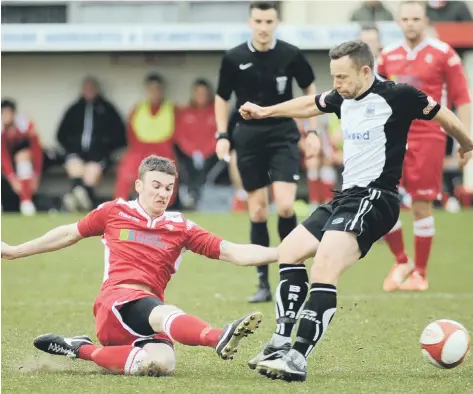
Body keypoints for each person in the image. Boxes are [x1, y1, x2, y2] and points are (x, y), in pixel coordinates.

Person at [237, 40, 473, 382]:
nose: (336, 84)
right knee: (288, 251)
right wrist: (265, 110)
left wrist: (467, 143)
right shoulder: (342, 97)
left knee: (324, 266)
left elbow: (443, 114)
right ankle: (277, 344)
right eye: (333, 76)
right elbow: (310, 103)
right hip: (345, 197)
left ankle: (297, 358)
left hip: (377, 198)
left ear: (365, 71)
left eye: (342, 77)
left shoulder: (399, 95)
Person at [1, 155, 280, 377]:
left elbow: (234, 252)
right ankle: (219, 336)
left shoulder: (181, 227)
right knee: (163, 313)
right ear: (139, 186)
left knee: (161, 364)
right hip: (115, 302)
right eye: (156, 186)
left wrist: (283, 253)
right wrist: (14, 251)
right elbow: (68, 232)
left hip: (147, 315)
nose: (162, 194)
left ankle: (79, 348)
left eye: (168, 188)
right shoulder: (114, 211)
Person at [214, 1, 319, 303]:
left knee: (286, 206)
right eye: (258, 21)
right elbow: (221, 98)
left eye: (269, 21)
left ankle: (292, 275)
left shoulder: (290, 54)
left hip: (283, 134)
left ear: (277, 23)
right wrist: (222, 135)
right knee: (258, 210)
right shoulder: (234, 58)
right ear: (250, 22)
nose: (263, 27)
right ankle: (263, 282)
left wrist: (311, 131)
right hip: (247, 138)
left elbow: (311, 91)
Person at [377, 0, 471, 291]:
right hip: (393, 137)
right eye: (405, 18)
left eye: (416, 18)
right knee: (382, 197)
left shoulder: (444, 53)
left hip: (429, 136)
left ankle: (420, 273)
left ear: (425, 19)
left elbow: (462, 98)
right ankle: (401, 259)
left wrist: (464, 138)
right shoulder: (387, 55)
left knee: (421, 205)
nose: (410, 23)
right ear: (399, 22)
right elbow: (376, 99)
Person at [57, 76, 126, 212]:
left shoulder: (107, 109)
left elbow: (120, 136)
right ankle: (85, 202)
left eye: (91, 89)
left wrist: (106, 149)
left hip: (98, 154)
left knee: (91, 172)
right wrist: (71, 147)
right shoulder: (74, 109)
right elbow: (61, 134)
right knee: (75, 166)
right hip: (76, 152)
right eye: (86, 89)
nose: (89, 91)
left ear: (97, 90)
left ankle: (77, 200)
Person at [114, 74, 178, 206]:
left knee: (166, 176)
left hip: (163, 152)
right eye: (151, 89)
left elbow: (179, 133)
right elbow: (130, 133)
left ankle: (162, 210)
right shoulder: (138, 109)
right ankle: (120, 209)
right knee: (126, 174)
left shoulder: (172, 109)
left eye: (157, 89)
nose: (154, 93)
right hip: (138, 151)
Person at [174, 79, 218, 210]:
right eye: (198, 93)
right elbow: (180, 136)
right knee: (187, 168)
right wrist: (193, 152)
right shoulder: (184, 112)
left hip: (211, 154)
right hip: (189, 154)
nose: (201, 96)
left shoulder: (216, 111)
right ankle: (192, 197)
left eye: (204, 93)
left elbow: (219, 135)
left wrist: (204, 153)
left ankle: (196, 197)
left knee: (206, 170)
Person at [1, 99, 43, 216]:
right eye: (3, 113)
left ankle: (26, 202)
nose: (6, 116)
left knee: (22, 157)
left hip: (26, 160)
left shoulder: (26, 125)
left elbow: (37, 150)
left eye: (8, 113)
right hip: (7, 163)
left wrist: (36, 174)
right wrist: (12, 178)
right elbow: (3, 156)